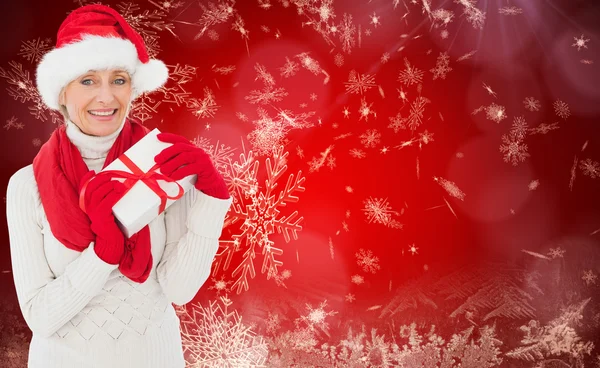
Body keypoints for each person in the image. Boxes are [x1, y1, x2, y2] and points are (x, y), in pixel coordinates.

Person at [5, 4, 232, 367]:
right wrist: (102, 254)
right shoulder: (26, 186)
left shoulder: (161, 165)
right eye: (88, 80)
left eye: (119, 80)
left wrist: (212, 199)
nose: (106, 97)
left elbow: (180, 289)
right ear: (61, 92)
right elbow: (40, 317)